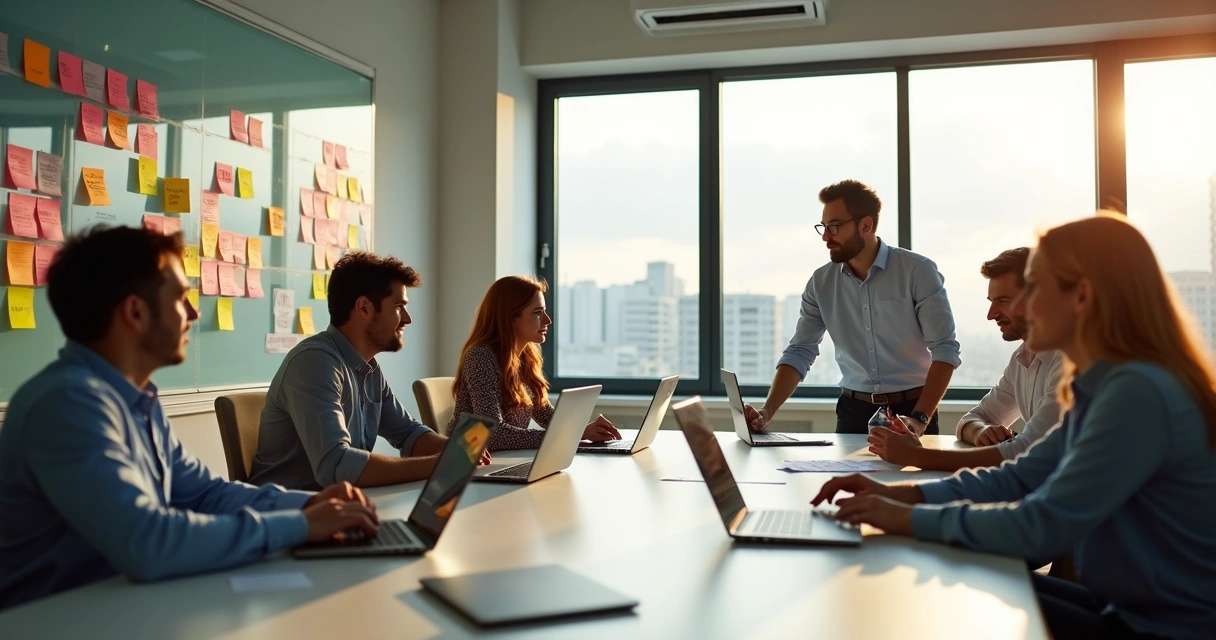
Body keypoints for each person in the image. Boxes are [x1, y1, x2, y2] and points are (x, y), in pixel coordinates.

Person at [812, 213, 1216, 640]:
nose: (1018, 308)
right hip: (1126, 609)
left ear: (1081, 295)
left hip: (1169, 629)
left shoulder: (1137, 394)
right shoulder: (1101, 385)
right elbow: (1020, 477)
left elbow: (1039, 524)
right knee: (951, 574)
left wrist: (903, 518)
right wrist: (900, 496)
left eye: (1033, 287)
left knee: (943, 590)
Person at [0, 227, 378, 611]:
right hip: (50, 620)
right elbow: (148, 541)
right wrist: (301, 526)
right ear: (135, 312)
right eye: (181, 299)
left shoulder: (134, 400)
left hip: (119, 607)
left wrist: (307, 506)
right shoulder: (67, 404)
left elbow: (203, 494)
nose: (194, 313)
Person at [250, 252, 486, 490]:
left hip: (340, 508)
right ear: (363, 308)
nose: (408, 319)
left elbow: (408, 433)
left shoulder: (368, 368)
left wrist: (460, 449)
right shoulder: (314, 362)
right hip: (289, 515)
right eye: (398, 306)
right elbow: (337, 466)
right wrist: (438, 465)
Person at [744, 180, 960, 436]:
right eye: (823, 227)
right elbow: (800, 351)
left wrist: (919, 419)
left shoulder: (917, 272)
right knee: (844, 478)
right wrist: (766, 412)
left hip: (912, 410)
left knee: (911, 478)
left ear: (865, 225)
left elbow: (945, 350)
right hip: (852, 412)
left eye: (834, 226)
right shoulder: (821, 282)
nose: (826, 236)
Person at [868, 248, 1065, 471]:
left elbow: (1029, 449)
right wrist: (981, 431)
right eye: (992, 301)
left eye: (1003, 300)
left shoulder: (1070, 362)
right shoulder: (1022, 359)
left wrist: (916, 456)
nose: (991, 314)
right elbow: (970, 420)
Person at [449, 275, 620, 451]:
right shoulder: (481, 357)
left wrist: (581, 430)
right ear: (509, 318)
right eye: (537, 313)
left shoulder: (526, 358)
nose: (547, 320)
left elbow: (547, 418)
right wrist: (573, 435)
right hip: (468, 463)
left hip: (504, 460)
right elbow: (492, 436)